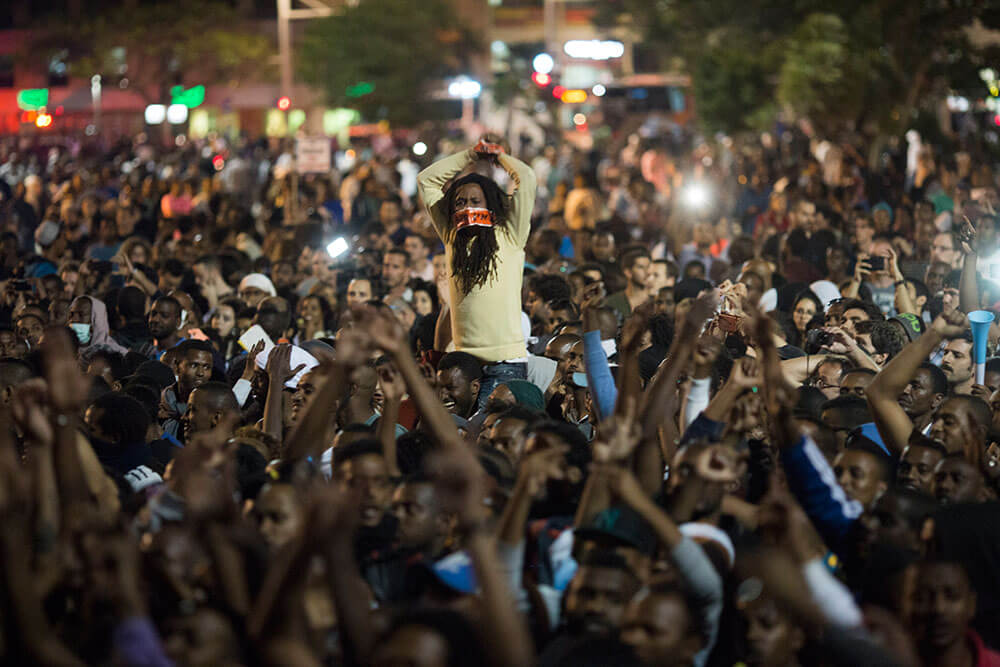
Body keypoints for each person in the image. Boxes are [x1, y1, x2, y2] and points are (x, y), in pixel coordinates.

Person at [417, 135, 536, 400]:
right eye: (460, 202)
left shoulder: (511, 234)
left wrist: (498, 157)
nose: (467, 207)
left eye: (475, 201)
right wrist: (470, 155)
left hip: (505, 363)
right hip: (464, 365)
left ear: (490, 204)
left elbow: (526, 178)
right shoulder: (452, 236)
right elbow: (427, 180)